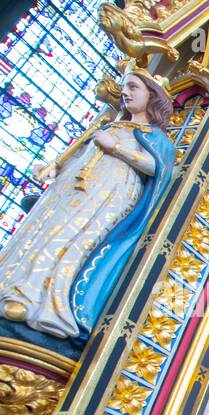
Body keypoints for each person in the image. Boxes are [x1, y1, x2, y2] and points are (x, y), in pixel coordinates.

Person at [0, 70, 175, 345]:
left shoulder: (157, 139)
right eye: (124, 87)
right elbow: (78, 154)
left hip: (110, 194)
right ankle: (14, 288)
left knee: (74, 240)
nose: (125, 92)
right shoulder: (108, 127)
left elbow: (157, 169)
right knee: (44, 231)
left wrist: (116, 149)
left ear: (152, 95)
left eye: (133, 87)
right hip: (69, 190)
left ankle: (46, 304)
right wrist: (54, 169)